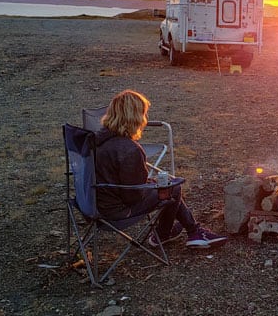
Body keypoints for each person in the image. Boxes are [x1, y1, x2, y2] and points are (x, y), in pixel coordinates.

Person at [94, 89, 226, 248]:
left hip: (95, 206)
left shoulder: (96, 140)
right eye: (143, 113)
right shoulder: (129, 149)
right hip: (117, 212)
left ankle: (192, 232)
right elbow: (133, 196)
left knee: (168, 184)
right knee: (173, 187)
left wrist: (151, 183)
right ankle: (165, 234)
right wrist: (154, 185)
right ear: (135, 117)